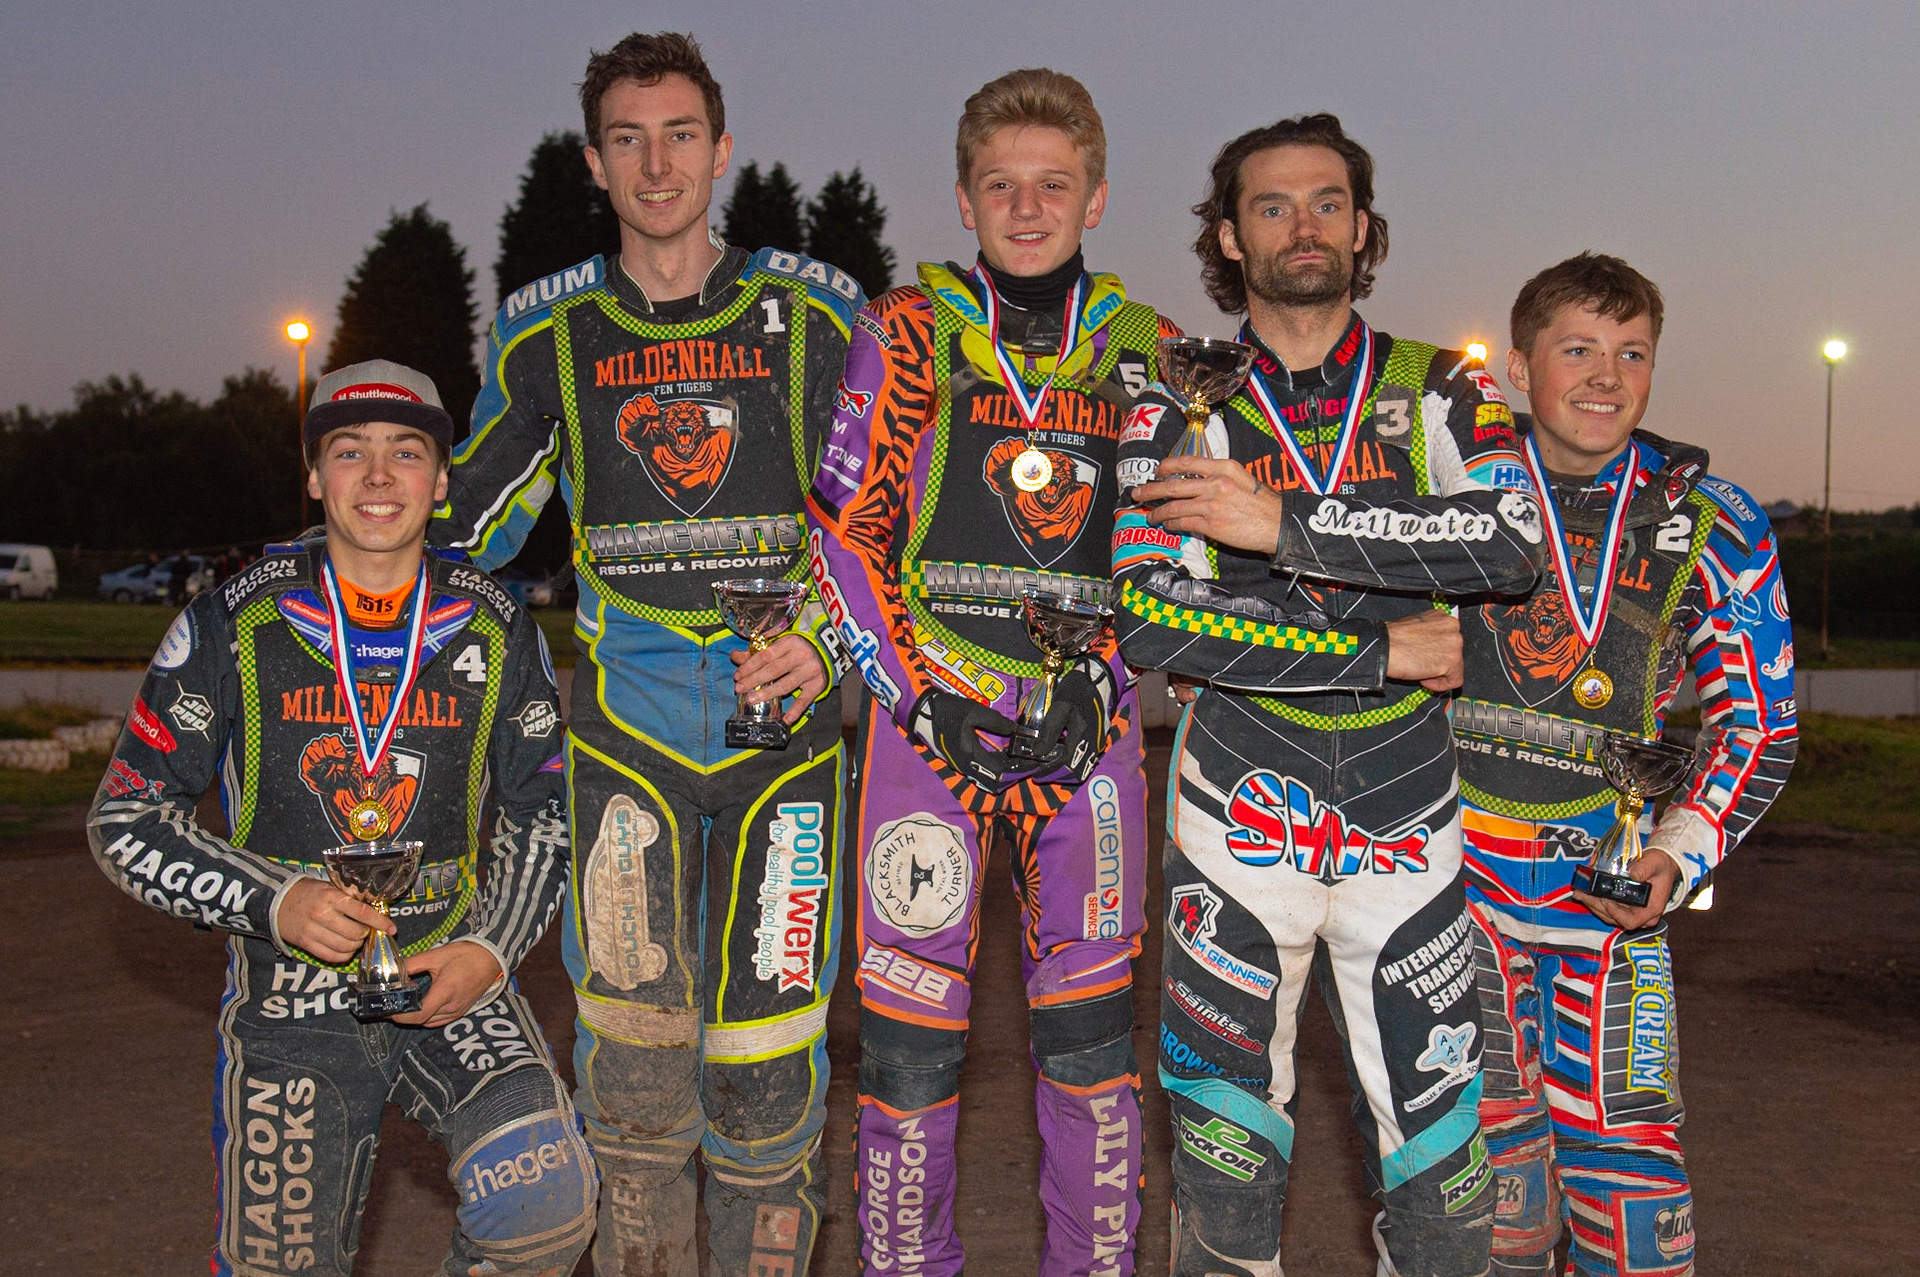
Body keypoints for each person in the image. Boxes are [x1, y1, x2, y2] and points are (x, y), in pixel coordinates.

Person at [430, 31, 860, 1277]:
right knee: (630, 1067)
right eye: (630, 138)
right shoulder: (545, 333)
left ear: (721, 150)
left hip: (785, 744)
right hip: (623, 739)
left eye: (680, 134)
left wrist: (827, 640)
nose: (658, 162)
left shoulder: (815, 309)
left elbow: (883, 513)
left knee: (771, 1066)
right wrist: (332, 581)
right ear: (595, 162)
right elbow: (466, 534)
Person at [1114, 113, 1545, 1277]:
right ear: (1227, 235)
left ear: (1363, 227)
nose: (1303, 226)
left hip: (1410, 824)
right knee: (1225, 1172)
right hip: (1237, 814)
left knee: (1447, 1181)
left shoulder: (1442, 385)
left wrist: (1278, 526)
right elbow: (1150, 614)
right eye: (1271, 205)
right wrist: (1383, 648)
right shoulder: (1169, 392)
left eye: (1327, 203)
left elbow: (1506, 546)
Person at [87, 359, 593, 1277]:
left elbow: (543, 811)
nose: (377, 476)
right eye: (348, 451)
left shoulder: (494, 622)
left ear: (442, 484)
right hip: (293, 1005)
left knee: (545, 1210)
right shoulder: (232, 621)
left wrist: (489, 951)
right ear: (314, 476)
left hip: (452, 985)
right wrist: (275, 901)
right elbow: (125, 819)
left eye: (407, 453)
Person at [808, 68, 1179, 1276]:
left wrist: (1106, 684)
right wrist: (921, 697)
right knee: (910, 1059)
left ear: (1099, 195)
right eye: (1002, 185)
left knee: (1091, 1051)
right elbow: (843, 535)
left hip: (1093, 735)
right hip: (930, 735)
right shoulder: (903, 329)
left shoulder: (1149, 350)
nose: (1029, 207)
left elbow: (1169, 553)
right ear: (963, 201)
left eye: (1054, 184)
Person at [1455, 254, 1797, 1276]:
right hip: (1447, 893)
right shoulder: (1447, 486)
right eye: (1578, 349)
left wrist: (1679, 854)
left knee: (1635, 1200)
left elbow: (1760, 727)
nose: (1606, 376)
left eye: (1631, 352)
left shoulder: (1716, 518)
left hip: (1607, 899)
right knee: (1486, 1198)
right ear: (1519, 365)